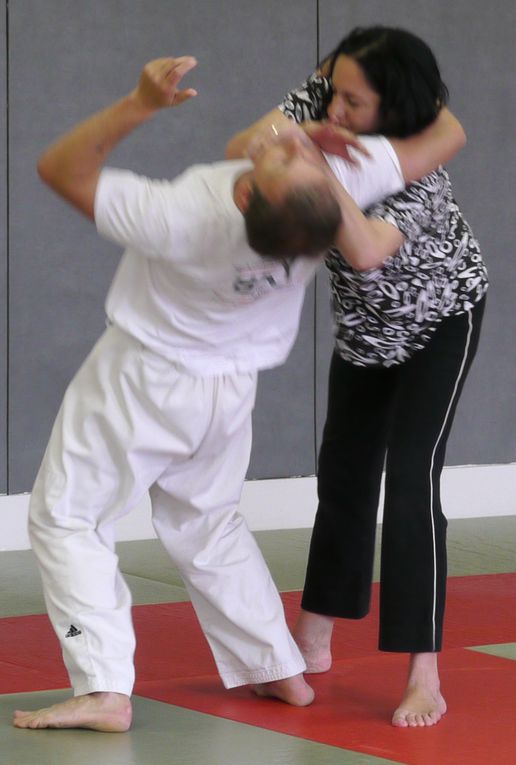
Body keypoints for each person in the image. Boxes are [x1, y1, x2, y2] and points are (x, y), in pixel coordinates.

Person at [13, 53, 436, 732]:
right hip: (229, 392)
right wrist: (413, 89)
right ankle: (276, 664)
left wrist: (140, 103)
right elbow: (440, 139)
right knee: (208, 521)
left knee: (66, 516)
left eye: (281, 155)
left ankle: (103, 686)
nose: (287, 142)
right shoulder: (319, 210)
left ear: (247, 194)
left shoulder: (187, 211)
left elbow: (60, 169)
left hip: (144, 377)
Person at [227, 25, 488, 728]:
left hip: (441, 321)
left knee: (410, 480)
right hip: (368, 332)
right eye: (332, 90)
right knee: (342, 474)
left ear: (394, 107)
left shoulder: (416, 173)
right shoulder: (329, 98)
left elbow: (367, 249)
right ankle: (313, 634)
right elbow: (241, 150)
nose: (335, 109)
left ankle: (423, 672)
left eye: (353, 102)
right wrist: (308, 131)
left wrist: (314, 163)